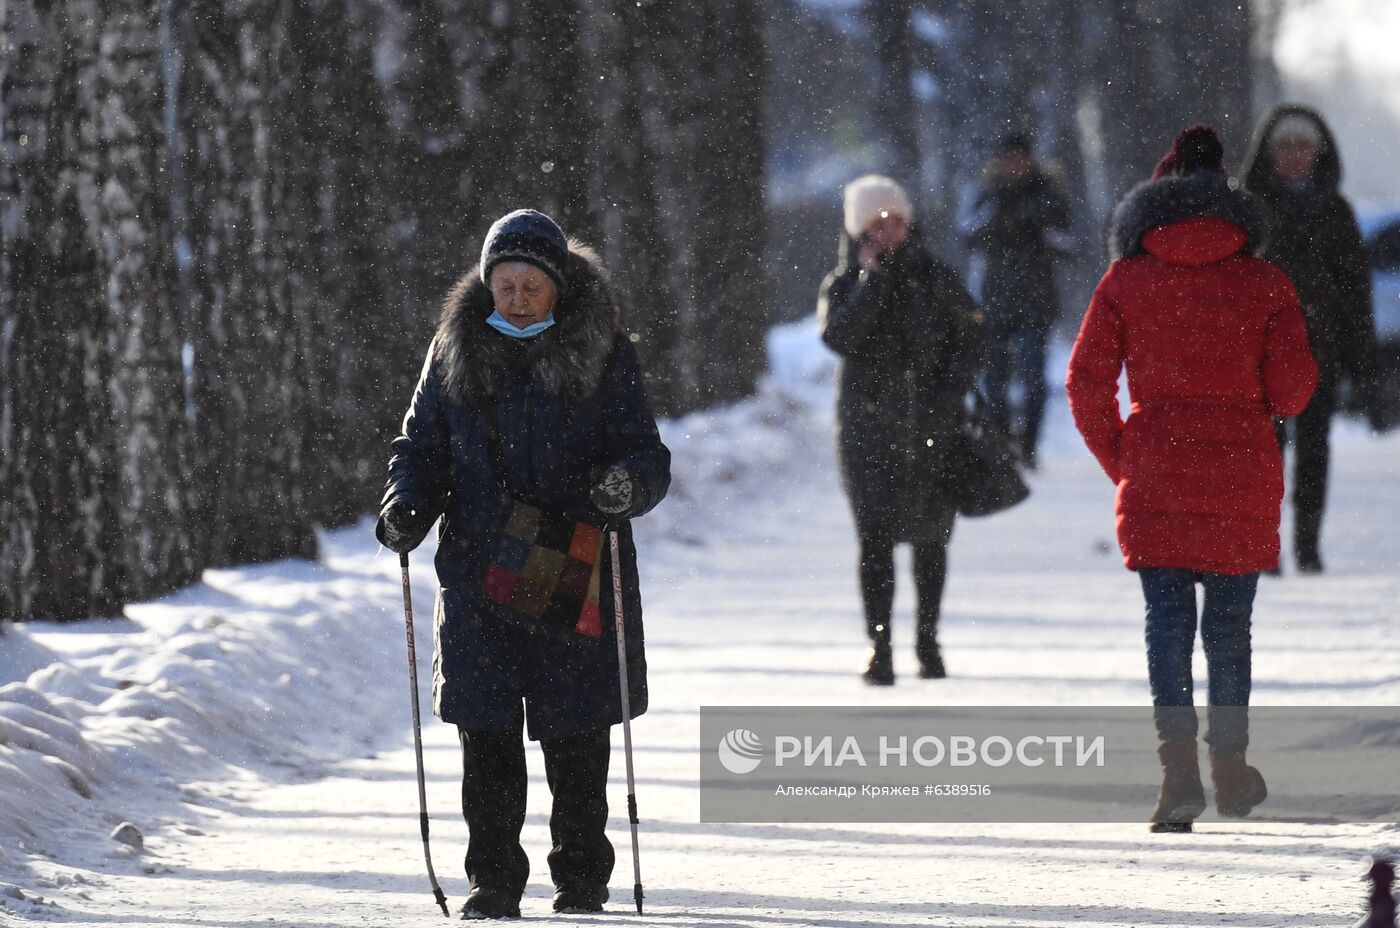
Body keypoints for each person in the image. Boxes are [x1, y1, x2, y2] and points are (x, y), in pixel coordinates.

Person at [376, 209, 671, 918]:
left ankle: (581, 877)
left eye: (530, 284)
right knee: (487, 735)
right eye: (504, 283)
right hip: (478, 569)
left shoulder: (605, 352)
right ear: (487, 282)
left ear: (557, 287)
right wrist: (405, 505)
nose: (516, 297)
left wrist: (624, 485)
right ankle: (494, 882)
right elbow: (420, 448)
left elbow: (646, 453)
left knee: (575, 733)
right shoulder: (453, 347)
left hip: (572, 561)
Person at [1066, 126, 1317, 832]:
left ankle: (1177, 774)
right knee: (1230, 633)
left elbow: (1086, 385)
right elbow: (1294, 392)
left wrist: (1126, 460)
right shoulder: (1266, 283)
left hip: (1157, 474)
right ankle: (1231, 770)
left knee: (1167, 628)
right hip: (1241, 473)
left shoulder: (1125, 280)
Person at [818, 175, 983, 685]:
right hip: (867, 432)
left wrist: (949, 393)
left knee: (933, 542)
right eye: (877, 222)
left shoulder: (937, 277)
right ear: (858, 229)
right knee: (875, 541)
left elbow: (972, 339)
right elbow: (840, 337)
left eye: (897, 220)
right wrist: (873, 282)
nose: (889, 230)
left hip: (932, 429)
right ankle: (881, 645)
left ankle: (928, 642)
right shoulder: (843, 285)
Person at [1242, 105, 1378, 574]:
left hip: (1320, 351)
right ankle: (1266, 544)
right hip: (1259, 355)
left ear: (1318, 154)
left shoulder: (1336, 212)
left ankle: (1307, 544)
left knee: (1315, 450)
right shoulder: (1248, 209)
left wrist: (1363, 362)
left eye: (1304, 147)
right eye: (1287, 146)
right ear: (1270, 152)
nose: (1296, 156)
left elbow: (1356, 290)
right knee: (1265, 455)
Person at [964, 132, 1072, 469]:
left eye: (1019, 158)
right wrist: (1000, 218)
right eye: (1008, 159)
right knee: (993, 380)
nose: (1014, 165)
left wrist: (1035, 223)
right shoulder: (988, 195)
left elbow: (1068, 243)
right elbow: (968, 235)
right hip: (995, 302)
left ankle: (1027, 445)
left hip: (1036, 303)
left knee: (1033, 379)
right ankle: (1000, 441)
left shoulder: (1048, 194)